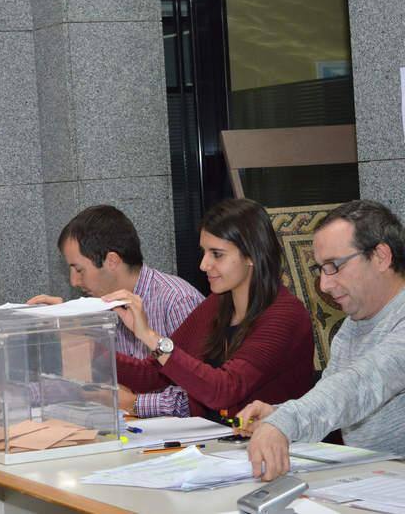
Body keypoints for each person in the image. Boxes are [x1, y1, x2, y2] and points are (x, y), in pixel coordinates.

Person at [236, 200, 405, 481]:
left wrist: (286, 422)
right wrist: (277, 414)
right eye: (321, 269)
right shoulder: (355, 323)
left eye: (334, 266)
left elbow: (362, 384)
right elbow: (333, 393)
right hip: (373, 484)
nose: (324, 285)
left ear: (381, 257)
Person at [103, 198, 314, 419]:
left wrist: (149, 336)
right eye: (204, 252)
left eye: (217, 254)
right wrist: (89, 351)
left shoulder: (285, 315)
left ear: (251, 255)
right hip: (219, 443)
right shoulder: (218, 303)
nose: (204, 265)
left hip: (276, 447)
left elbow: (224, 389)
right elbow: (153, 374)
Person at [28, 205, 204, 416]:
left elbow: (199, 395)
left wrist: (133, 402)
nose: (74, 281)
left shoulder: (178, 301)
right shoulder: (98, 304)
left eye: (79, 269)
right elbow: (86, 386)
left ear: (112, 261)